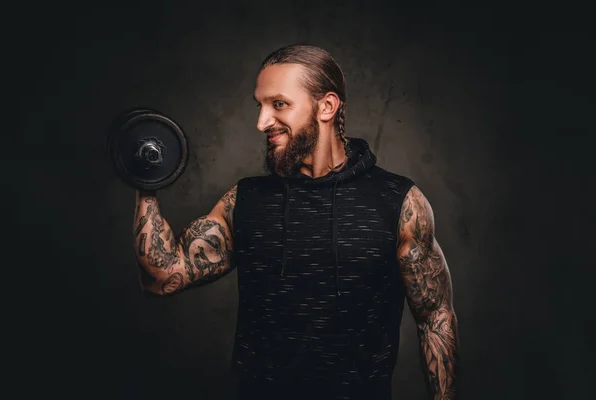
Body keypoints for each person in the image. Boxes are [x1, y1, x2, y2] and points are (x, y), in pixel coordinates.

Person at [133, 44, 459, 400]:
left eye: (279, 104)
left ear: (327, 107)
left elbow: (435, 316)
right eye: (259, 105)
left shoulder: (398, 202)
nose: (262, 122)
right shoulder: (247, 200)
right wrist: (147, 179)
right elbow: (161, 276)